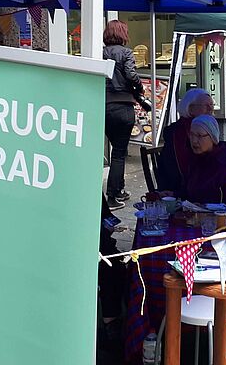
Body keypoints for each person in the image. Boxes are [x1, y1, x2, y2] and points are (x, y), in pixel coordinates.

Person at [103, 20, 144, 210]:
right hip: (123, 106)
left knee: (114, 151)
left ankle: (119, 190)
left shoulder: (100, 53)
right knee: (119, 153)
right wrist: (139, 87)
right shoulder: (126, 53)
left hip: (104, 106)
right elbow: (130, 74)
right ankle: (112, 196)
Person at [156, 88, 214, 194]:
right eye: (206, 106)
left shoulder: (207, 126)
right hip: (181, 188)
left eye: (212, 105)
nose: (210, 109)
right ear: (190, 109)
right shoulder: (179, 132)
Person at [179, 114, 226, 205]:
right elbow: (188, 192)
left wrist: (205, 208)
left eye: (199, 136)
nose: (194, 141)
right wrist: (174, 195)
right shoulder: (194, 159)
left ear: (212, 137)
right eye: (192, 135)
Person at [97, 196, 126, 353]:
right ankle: (110, 322)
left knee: (116, 265)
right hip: (96, 248)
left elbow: (106, 214)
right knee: (112, 268)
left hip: (101, 242)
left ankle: (112, 321)